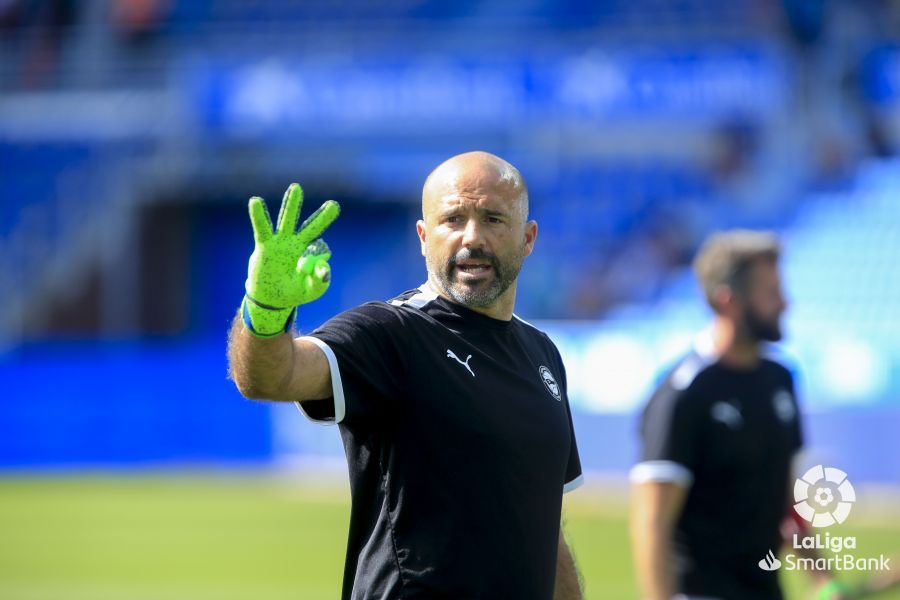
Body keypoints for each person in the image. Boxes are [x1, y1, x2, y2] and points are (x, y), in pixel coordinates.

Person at [227, 151, 584, 600]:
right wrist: (265, 311)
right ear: (423, 236)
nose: (472, 238)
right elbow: (270, 377)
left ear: (528, 237)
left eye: (493, 219)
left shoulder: (543, 354)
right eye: (453, 219)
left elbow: (545, 526)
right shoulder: (390, 333)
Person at [629, 230, 839, 600]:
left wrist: (823, 579)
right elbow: (651, 523)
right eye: (771, 293)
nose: (785, 303)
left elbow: (788, 498)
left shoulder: (781, 378)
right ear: (728, 301)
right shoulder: (685, 393)